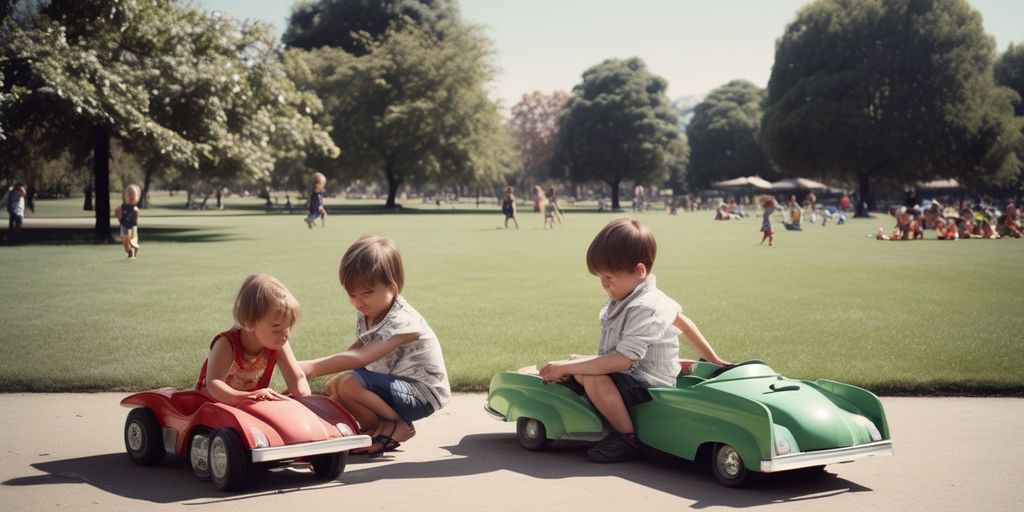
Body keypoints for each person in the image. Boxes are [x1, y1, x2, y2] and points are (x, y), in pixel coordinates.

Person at [538, 219, 730, 463]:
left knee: (591, 376)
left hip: (648, 383)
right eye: (600, 278)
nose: (604, 285)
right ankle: (580, 383)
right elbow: (683, 322)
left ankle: (626, 437)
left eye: (609, 277)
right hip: (634, 374)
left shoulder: (646, 306)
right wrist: (715, 359)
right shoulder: (636, 297)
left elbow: (622, 362)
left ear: (640, 271)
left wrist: (568, 368)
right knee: (578, 365)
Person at [300, 235, 450, 455]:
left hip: (422, 392)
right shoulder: (370, 312)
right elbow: (354, 350)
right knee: (335, 387)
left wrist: (307, 368)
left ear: (392, 286)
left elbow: (362, 358)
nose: (359, 302)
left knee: (350, 384)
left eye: (367, 292)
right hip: (395, 384)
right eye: (352, 294)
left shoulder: (403, 320)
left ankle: (398, 426)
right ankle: (374, 429)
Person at [195, 273, 311, 405]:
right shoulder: (226, 344)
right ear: (249, 322)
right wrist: (248, 397)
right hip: (210, 407)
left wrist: (305, 401)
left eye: (289, 326)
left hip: (249, 407)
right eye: (277, 328)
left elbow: (297, 380)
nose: (286, 334)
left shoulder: (278, 343)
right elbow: (214, 384)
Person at [115, 185, 141, 258]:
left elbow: (136, 217)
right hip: (124, 224)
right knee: (125, 240)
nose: (130, 195)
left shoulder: (135, 209)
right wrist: (120, 219)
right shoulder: (121, 207)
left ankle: (134, 249)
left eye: (132, 193)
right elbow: (117, 213)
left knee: (132, 240)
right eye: (128, 193)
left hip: (132, 225)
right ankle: (130, 251)